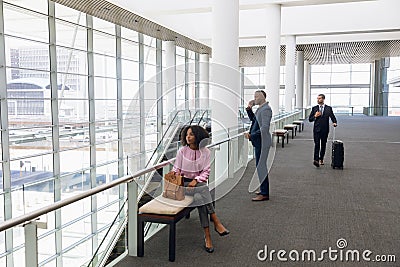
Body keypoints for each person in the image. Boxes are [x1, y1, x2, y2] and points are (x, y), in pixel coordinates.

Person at [173, 125, 229, 253]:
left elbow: (206, 172)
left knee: (200, 198)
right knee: (203, 189)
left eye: (191, 134)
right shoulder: (182, 151)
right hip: (183, 185)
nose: (188, 137)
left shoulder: (206, 152)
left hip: (197, 186)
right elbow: (176, 169)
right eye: (186, 134)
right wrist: (182, 179)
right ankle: (215, 221)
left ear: (198, 136)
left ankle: (208, 236)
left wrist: (196, 180)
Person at [244, 90, 272, 201]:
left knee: (261, 167)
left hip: (262, 142)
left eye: (256, 97)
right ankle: (263, 189)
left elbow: (264, 128)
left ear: (262, 97)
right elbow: (254, 120)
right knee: (260, 167)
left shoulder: (266, 109)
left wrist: (251, 135)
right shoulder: (261, 109)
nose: (254, 98)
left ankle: (264, 193)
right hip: (260, 141)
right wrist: (249, 109)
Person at [308, 94, 337, 167]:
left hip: (325, 129)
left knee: (323, 145)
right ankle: (316, 160)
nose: (318, 100)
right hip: (316, 129)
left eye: (319, 98)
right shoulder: (314, 108)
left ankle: (321, 159)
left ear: (323, 99)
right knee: (317, 144)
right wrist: (315, 116)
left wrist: (334, 122)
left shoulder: (328, 108)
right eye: (317, 98)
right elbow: (310, 119)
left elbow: (332, 116)